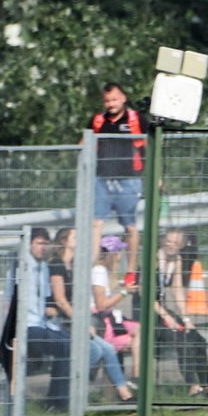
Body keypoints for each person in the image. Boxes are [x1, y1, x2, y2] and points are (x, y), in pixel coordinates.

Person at [46, 227, 135, 403]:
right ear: (64, 242)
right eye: (75, 237)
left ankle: (126, 395)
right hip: (60, 321)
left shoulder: (73, 266)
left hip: (72, 319)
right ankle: (70, 391)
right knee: (95, 350)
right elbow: (61, 300)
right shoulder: (56, 264)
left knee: (107, 349)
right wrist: (82, 323)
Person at [0, 226, 70, 412]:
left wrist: (50, 311)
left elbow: (42, 298)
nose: (42, 248)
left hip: (42, 323)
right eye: (38, 243)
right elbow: (9, 300)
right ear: (29, 245)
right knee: (65, 347)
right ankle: (56, 402)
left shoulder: (43, 268)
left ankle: (58, 400)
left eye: (45, 244)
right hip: (26, 326)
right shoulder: (20, 267)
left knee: (71, 343)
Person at [86, 83, 144, 276]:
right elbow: (84, 144)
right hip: (102, 180)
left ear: (123, 98)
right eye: (107, 101)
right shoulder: (98, 121)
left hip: (129, 179)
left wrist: (156, 176)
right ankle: (91, 269)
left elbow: (149, 146)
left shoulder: (136, 120)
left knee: (130, 226)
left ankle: (130, 271)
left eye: (114, 99)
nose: (111, 104)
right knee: (96, 223)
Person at [154, 227, 208, 398]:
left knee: (197, 338)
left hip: (162, 309)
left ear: (181, 245)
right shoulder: (154, 259)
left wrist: (186, 319)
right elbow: (146, 295)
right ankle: (192, 385)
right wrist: (167, 317)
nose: (171, 245)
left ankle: (206, 385)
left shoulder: (176, 259)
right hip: (149, 311)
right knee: (182, 339)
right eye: (168, 241)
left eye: (176, 242)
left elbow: (177, 289)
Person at [91, 234, 140, 384]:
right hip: (100, 320)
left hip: (108, 318)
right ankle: (134, 378)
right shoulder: (99, 271)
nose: (120, 256)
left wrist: (121, 286)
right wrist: (124, 292)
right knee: (133, 341)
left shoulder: (105, 272)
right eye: (119, 252)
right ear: (114, 253)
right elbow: (101, 304)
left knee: (140, 330)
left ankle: (136, 375)